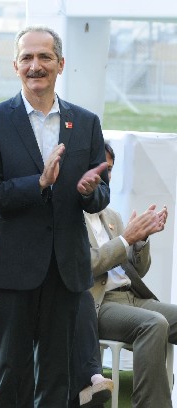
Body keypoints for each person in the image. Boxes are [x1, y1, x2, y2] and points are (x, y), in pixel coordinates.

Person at [0, 25, 110, 407]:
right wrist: (39, 183)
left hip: (65, 269)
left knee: (57, 376)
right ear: (15, 65)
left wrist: (89, 191)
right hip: (12, 268)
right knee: (8, 374)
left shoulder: (86, 122)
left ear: (60, 64)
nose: (36, 65)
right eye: (27, 57)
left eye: (45, 56)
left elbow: (101, 194)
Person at [86, 143, 174, 408]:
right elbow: (86, 265)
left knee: (158, 320)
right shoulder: (69, 216)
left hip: (132, 297)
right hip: (99, 303)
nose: (105, 176)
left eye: (110, 169)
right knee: (154, 324)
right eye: (100, 168)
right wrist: (125, 239)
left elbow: (137, 271)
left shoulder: (111, 215)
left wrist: (140, 241)